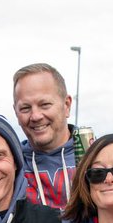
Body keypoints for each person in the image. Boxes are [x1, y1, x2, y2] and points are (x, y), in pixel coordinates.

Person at [12, 63, 78, 209]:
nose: (35, 116)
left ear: (66, 105)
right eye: (25, 108)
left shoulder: (96, 158)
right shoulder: (10, 166)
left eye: (45, 104)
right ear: (16, 112)